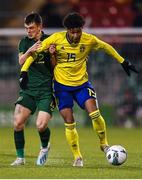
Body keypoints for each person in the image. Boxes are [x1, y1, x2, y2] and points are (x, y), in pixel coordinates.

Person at [19, 12, 138, 167]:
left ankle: (104, 144)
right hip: (62, 87)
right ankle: (77, 157)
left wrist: (123, 61)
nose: (76, 35)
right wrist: (24, 71)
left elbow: (106, 47)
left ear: (82, 29)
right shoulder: (55, 39)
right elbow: (34, 55)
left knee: (95, 113)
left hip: (82, 84)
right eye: (72, 32)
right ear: (67, 30)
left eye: (78, 31)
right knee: (69, 122)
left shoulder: (88, 39)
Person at [11, 12, 56, 166]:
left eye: (31, 28)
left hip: (46, 90)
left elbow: (55, 66)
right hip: (29, 90)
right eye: (26, 28)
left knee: (41, 125)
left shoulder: (50, 40)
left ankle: (45, 147)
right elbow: (21, 62)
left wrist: (52, 54)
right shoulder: (24, 43)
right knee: (17, 122)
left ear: (40, 27)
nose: (28, 31)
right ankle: (20, 158)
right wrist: (30, 50)